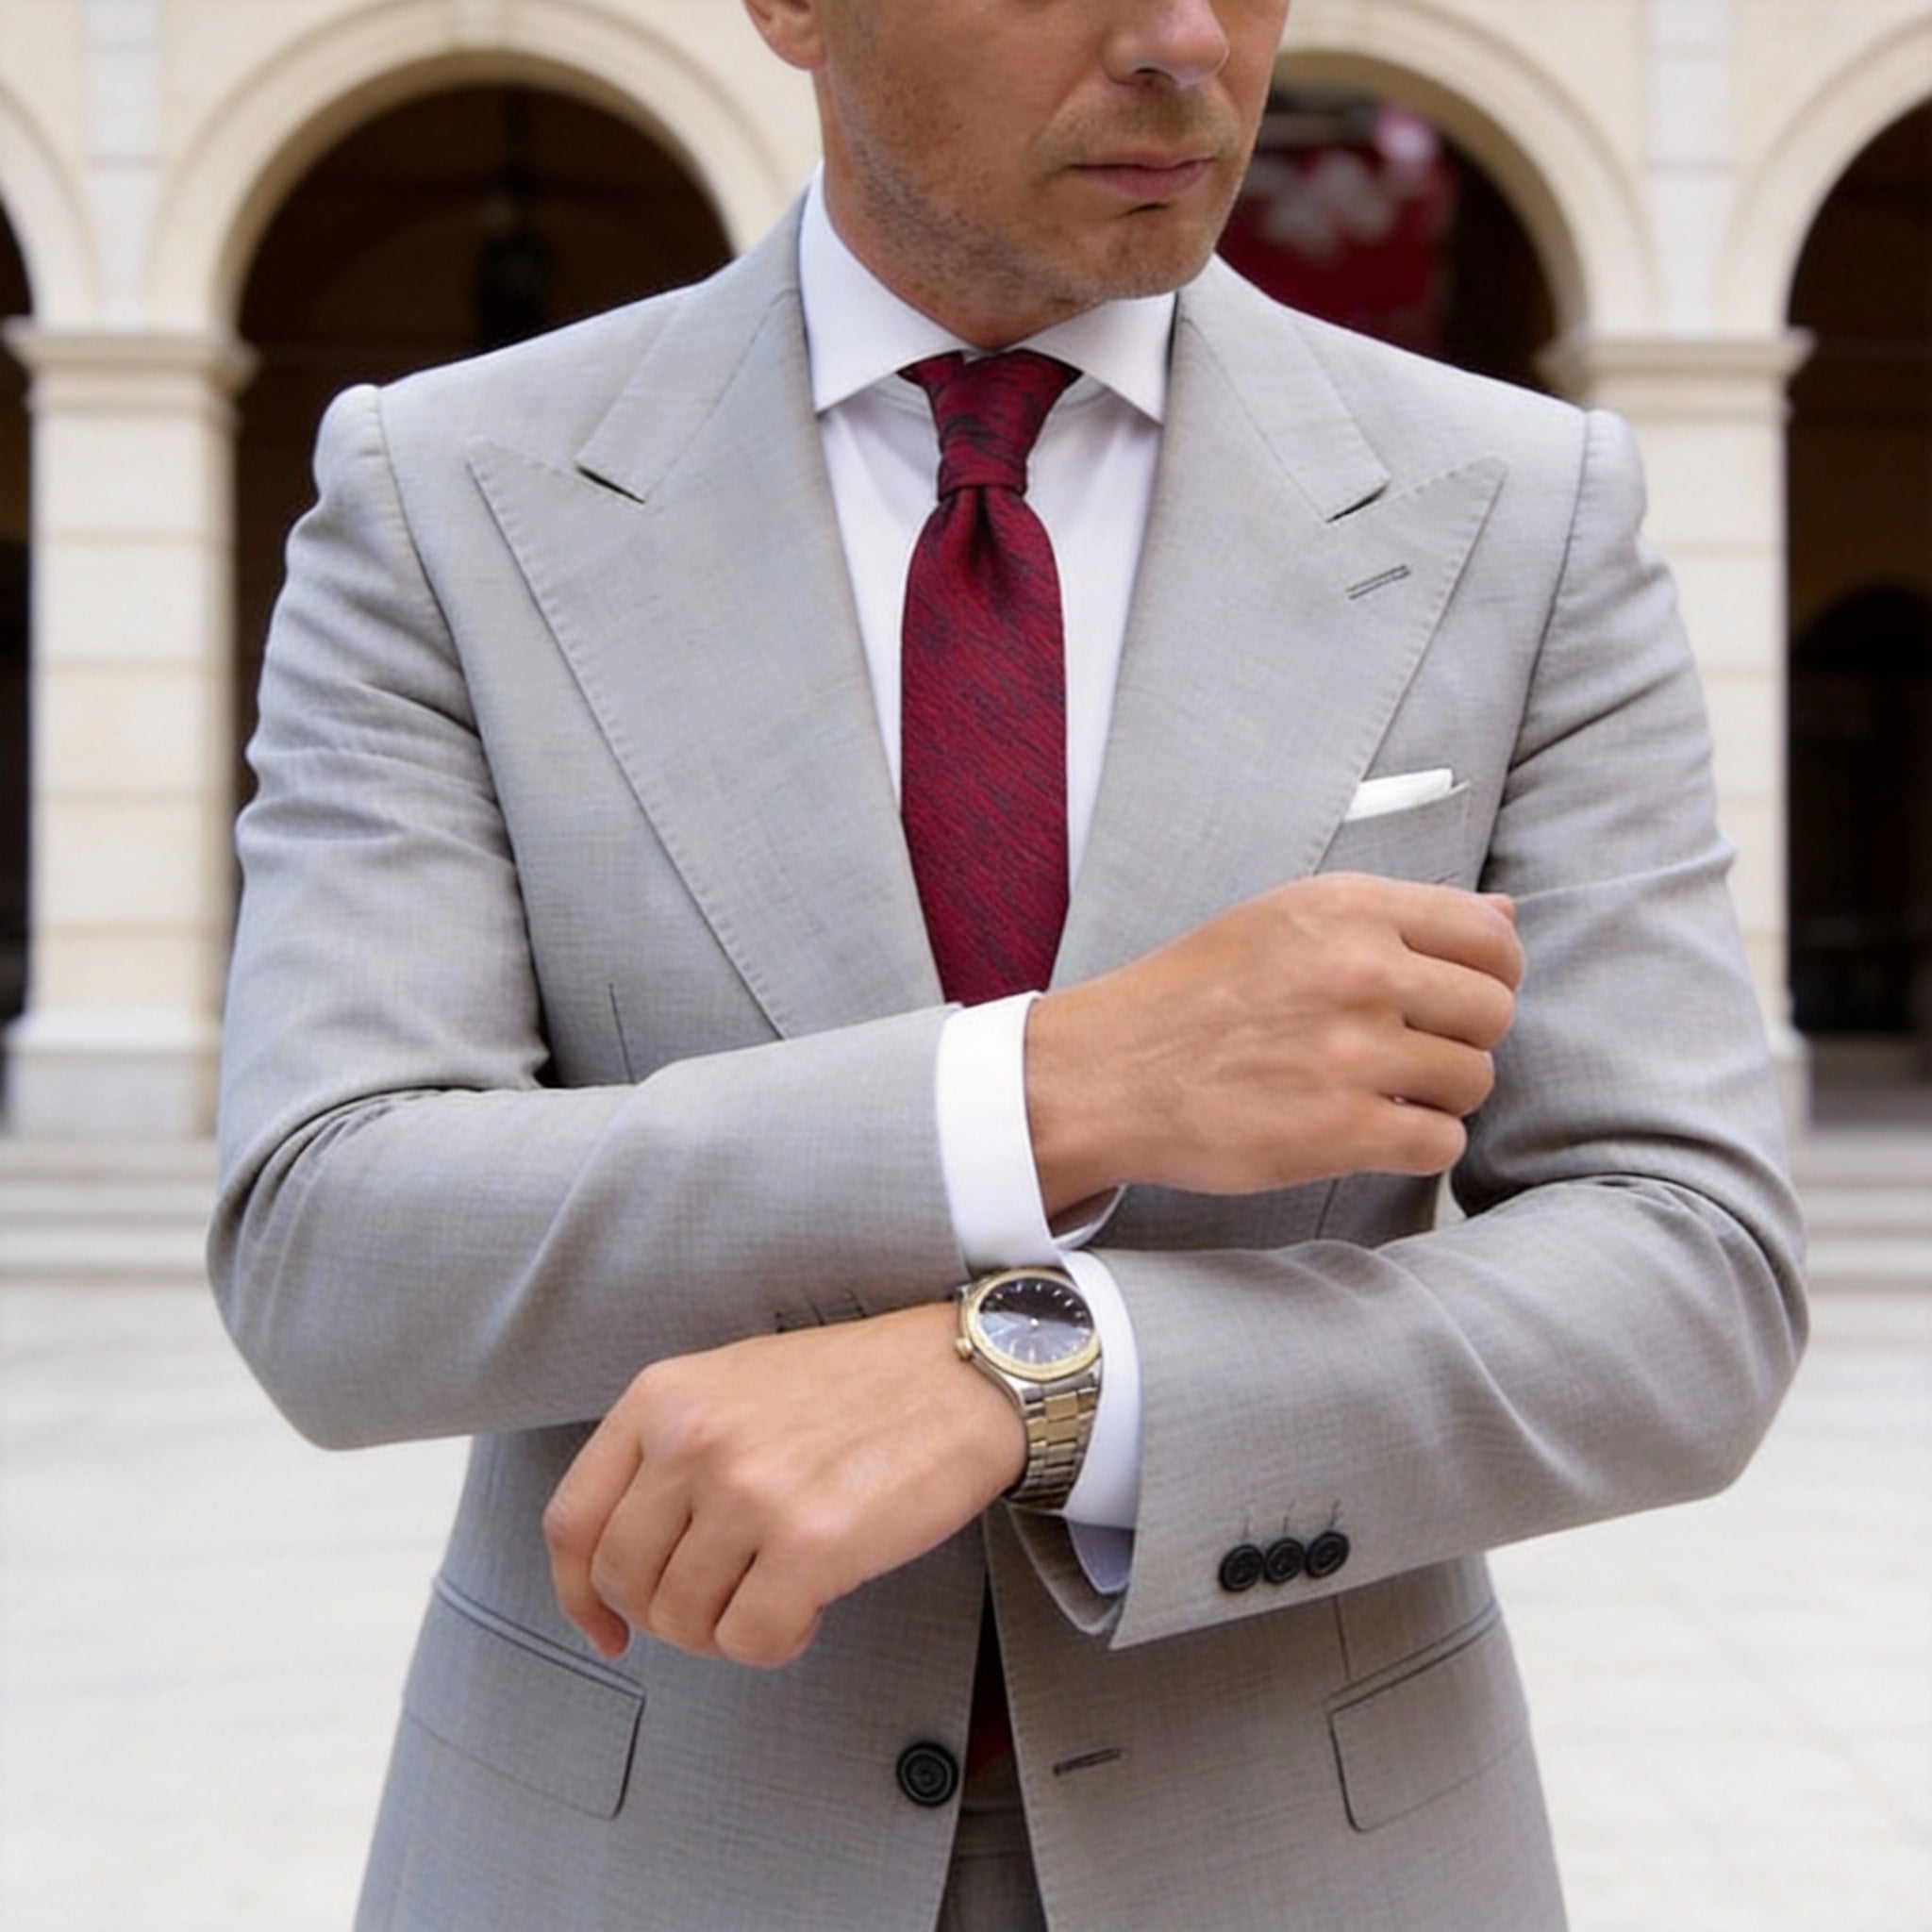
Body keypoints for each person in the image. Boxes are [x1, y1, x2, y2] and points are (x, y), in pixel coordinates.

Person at [208, 1, 1807, 1927]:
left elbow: (1689, 1274)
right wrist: (1050, 1088)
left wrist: (1042, 1380)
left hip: (1312, 1856)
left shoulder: (1525, 512)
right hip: (628, 1851)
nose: (1184, 36)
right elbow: (329, 1245)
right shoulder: (446, 496)